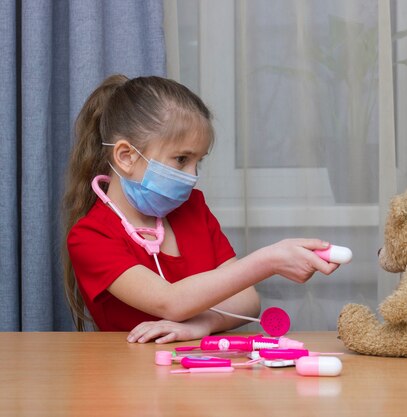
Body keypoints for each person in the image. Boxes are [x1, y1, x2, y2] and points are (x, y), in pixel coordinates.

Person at [63, 74, 339, 344]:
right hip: (132, 379)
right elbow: (169, 302)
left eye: (198, 162)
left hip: (203, 373)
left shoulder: (192, 208)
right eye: (182, 159)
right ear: (126, 156)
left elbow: (248, 300)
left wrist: (201, 325)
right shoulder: (90, 237)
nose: (192, 175)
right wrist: (269, 261)